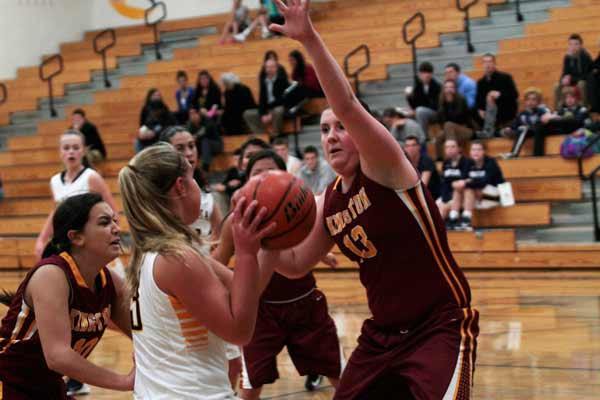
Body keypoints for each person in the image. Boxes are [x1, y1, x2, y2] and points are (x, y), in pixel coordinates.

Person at [263, 3, 478, 399]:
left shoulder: (385, 167)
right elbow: (294, 264)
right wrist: (257, 240)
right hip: (381, 337)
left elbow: (346, 103)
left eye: (341, 128)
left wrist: (309, 39)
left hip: (439, 325)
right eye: (324, 129)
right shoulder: (328, 202)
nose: (330, 136)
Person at [119, 143, 275, 398]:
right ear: (180, 186)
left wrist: (271, 246)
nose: (200, 191)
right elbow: (240, 331)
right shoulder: (177, 258)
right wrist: (246, 253)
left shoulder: (154, 252)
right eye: (194, 181)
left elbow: (246, 291)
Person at [214, 149, 342, 400]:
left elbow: (304, 251)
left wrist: (319, 253)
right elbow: (216, 262)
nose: (263, 179)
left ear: (284, 176)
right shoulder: (235, 221)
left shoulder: (299, 209)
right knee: (250, 390)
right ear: (246, 181)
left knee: (342, 378)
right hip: (261, 313)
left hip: (305, 304)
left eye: (270, 173)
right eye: (256, 174)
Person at [0, 192, 134, 399]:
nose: (117, 228)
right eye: (105, 222)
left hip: (47, 386)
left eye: (115, 221)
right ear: (76, 236)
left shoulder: (109, 281)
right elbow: (58, 356)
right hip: (9, 384)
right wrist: (124, 381)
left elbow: (142, 332)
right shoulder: (51, 275)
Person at [159, 127, 242, 390]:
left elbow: (220, 240)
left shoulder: (208, 198)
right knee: (195, 356)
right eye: (180, 147)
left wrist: (215, 262)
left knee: (233, 361)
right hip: (179, 285)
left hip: (210, 277)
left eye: (191, 146)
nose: (188, 152)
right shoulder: (161, 200)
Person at [34, 130, 118, 261]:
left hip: (92, 242)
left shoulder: (91, 177)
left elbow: (112, 211)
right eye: (66, 148)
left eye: (76, 147)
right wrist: (42, 238)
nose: (71, 151)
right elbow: (56, 212)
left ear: (83, 151)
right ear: (60, 152)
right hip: (68, 242)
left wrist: (108, 236)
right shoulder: (55, 181)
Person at [533, 86, 591, 156]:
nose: (569, 100)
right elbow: (556, 120)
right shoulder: (562, 110)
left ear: (577, 98)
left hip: (575, 130)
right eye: (566, 97)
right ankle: (537, 155)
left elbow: (578, 122)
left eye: (571, 97)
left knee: (567, 120)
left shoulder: (582, 110)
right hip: (562, 130)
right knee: (540, 125)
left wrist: (556, 118)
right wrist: (547, 118)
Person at [243, 58, 290, 139]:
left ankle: (276, 135)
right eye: (267, 67)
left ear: (276, 68)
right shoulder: (263, 81)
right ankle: (262, 136)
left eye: (271, 67)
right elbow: (262, 101)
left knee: (278, 110)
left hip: (278, 107)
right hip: (267, 109)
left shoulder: (282, 80)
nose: (269, 69)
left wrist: (270, 114)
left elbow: (283, 100)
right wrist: (263, 114)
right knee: (247, 114)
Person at [475, 53, 519, 138]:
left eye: (490, 62)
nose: (487, 64)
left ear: (494, 64)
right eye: (485, 62)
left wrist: (499, 95)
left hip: (505, 111)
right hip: (488, 115)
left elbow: (515, 94)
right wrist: (480, 109)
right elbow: (479, 101)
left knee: (491, 97)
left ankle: (489, 131)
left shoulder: (505, 77)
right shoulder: (480, 82)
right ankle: (489, 131)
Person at [501, 87, 553, 158]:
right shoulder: (522, 114)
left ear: (538, 102)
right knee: (515, 129)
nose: (530, 102)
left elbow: (547, 117)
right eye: (528, 99)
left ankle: (514, 153)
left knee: (523, 128)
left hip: (538, 132)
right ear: (525, 101)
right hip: (526, 132)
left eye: (533, 99)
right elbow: (515, 124)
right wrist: (509, 128)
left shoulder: (541, 111)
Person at [438, 138, 474, 230]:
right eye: (447, 147)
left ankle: (453, 222)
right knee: (434, 209)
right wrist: (444, 199)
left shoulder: (467, 162)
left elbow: (464, 183)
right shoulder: (446, 163)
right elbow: (444, 184)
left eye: (453, 146)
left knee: (443, 209)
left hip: (461, 196)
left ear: (459, 148)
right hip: (446, 195)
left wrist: (447, 200)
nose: (449, 149)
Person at [435, 79, 474, 161]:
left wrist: (450, 103)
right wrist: (445, 105)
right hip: (450, 131)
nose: (449, 89)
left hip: (466, 129)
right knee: (438, 137)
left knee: (448, 125)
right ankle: (440, 160)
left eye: (451, 87)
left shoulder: (461, 99)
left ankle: (452, 155)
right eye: (447, 87)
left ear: (455, 89)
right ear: (444, 89)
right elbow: (441, 121)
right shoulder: (441, 101)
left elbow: (460, 119)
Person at [554, 33, 593, 109]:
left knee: (581, 84)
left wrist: (571, 78)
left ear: (581, 46)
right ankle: (558, 110)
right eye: (571, 44)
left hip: (584, 82)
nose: (573, 47)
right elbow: (565, 73)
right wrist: (563, 80)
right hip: (572, 81)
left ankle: (583, 109)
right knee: (556, 86)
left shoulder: (585, 56)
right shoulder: (567, 57)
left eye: (576, 44)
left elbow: (585, 76)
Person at [465, 141, 505, 210]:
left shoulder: (491, 162)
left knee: (468, 189)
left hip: (494, 191)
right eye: (473, 150)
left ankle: (466, 214)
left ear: (484, 151)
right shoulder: (468, 163)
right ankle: (460, 215)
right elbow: (462, 179)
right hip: (476, 192)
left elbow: (485, 182)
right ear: (470, 152)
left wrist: (470, 183)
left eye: (479, 149)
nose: (476, 152)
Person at [405, 61, 442, 135]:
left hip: (436, 112)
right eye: (423, 73)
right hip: (422, 111)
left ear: (431, 75)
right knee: (406, 114)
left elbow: (435, 105)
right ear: (420, 74)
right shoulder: (418, 86)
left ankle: (423, 136)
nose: (425, 76)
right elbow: (414, 104)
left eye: (427, 74)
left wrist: (416, 110)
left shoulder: (437, 86)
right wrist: (408, 96)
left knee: (420, 111)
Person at [404, 135, 441, 200]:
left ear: (419, 147)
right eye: (407, 146)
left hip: (434, 196)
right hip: (420, 196)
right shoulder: (406, 163)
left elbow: (423, 185)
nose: (410, 148)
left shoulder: (426, 160)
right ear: (404, 148)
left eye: (413, 145)